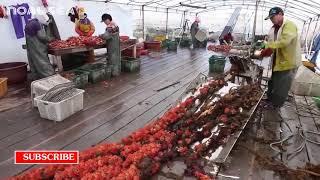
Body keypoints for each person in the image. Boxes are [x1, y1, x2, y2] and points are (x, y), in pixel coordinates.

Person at [261, 7, 301, 108]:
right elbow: (270, 41)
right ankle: (270, 98)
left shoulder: (289, 25)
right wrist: (265, 48)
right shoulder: (274, 27)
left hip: (288, 61)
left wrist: (270, 47)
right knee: (273, 81)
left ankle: (276, 104)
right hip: (278, 60)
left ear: (280, 14)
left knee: (282, 85)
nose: (271, 19)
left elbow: (284, 42)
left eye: (273, 17)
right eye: (270, 18)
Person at [25, 13, 58, 80]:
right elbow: (42, 37)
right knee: (42, 61)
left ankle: (37, 78)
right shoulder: (37, 24)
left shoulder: (30, 22)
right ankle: (49, 77)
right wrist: (51, 39)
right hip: (37, 46)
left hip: (31, 46)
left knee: (34, 61)